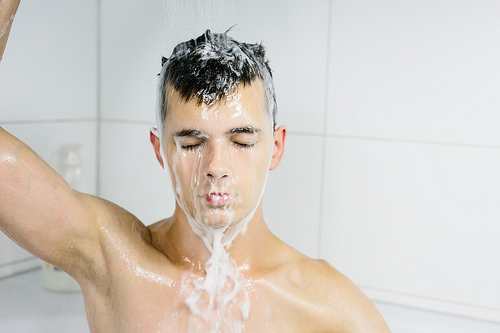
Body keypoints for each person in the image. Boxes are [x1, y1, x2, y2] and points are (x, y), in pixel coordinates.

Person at [0, 1, 390, 332]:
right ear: (160, 149)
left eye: (241, 141)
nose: (216, 166)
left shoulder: (327, 309)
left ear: (276, 147)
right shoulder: (114, 262)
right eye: (191, 142)